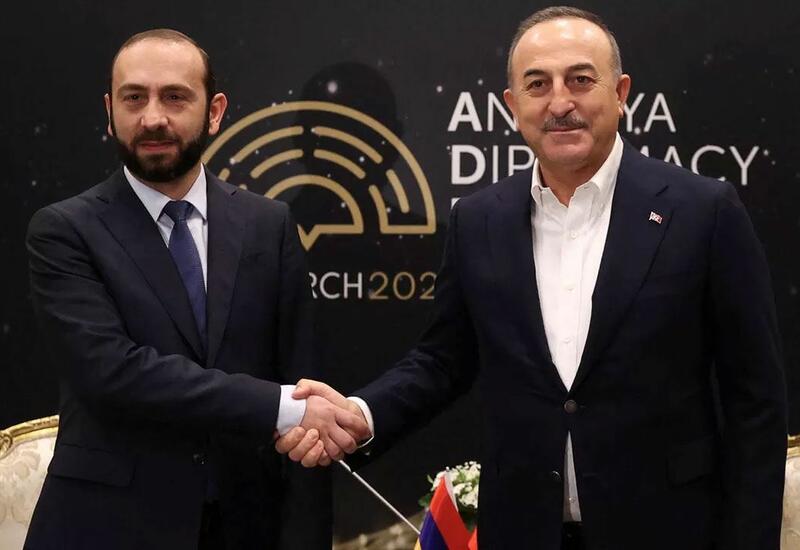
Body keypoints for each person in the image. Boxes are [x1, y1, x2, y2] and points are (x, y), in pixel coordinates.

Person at [277, 7, 787, 549]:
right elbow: (442, 361)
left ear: (621, 93)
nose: (559, 103)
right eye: (537, 84)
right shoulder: (478, 220)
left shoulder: (703, 212)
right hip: (521, 531)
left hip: (668, 532)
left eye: (581, 80)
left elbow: (755, 402)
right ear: (512, 104)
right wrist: (360, 414)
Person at [24, 29, 368, 550]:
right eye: (133, 98)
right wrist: (284, 407)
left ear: (214, 111)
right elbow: (113, 373)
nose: (152, 118)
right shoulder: (64, 230)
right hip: (106, 527)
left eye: (175, 97)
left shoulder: (268, 225)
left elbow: (302, 385)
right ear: (110, 111)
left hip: (247, 527)